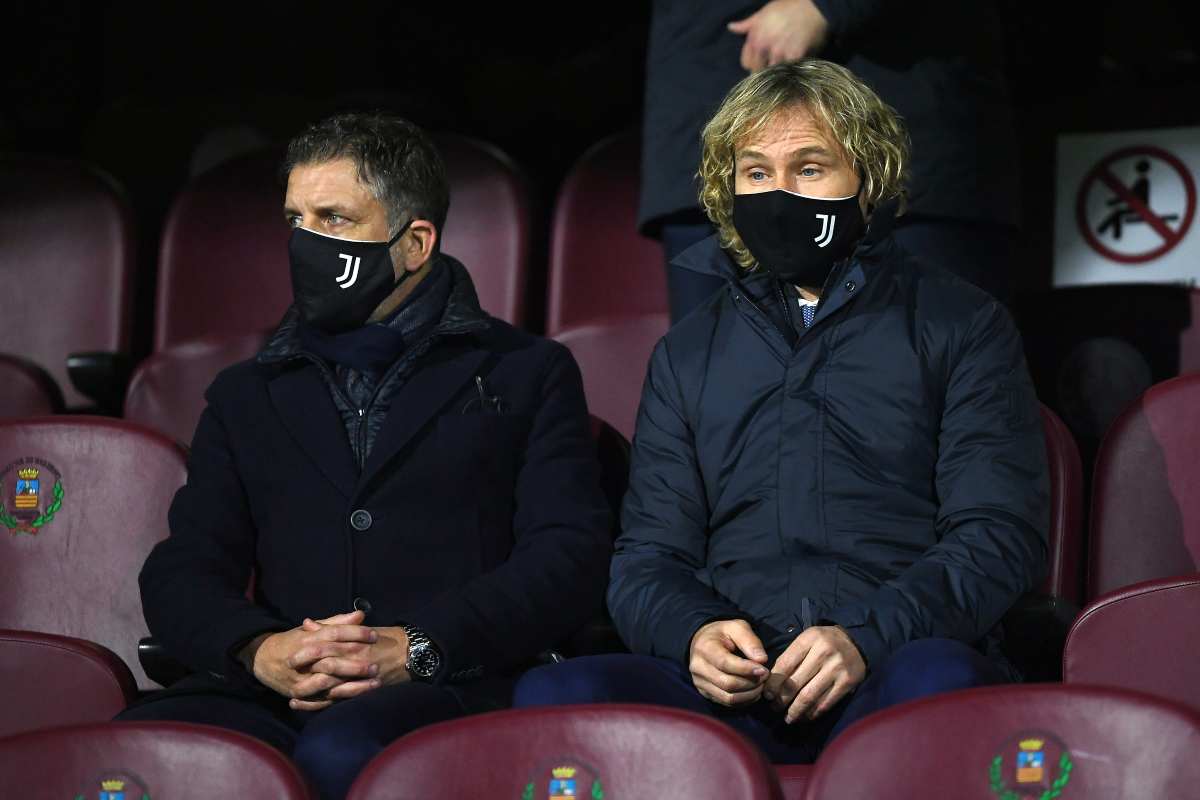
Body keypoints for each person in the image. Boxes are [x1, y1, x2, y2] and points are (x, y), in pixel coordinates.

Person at [514, 60, 1048, 764]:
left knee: (942, 679)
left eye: (809, 169)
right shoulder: (687, 353)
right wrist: (695, 633)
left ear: (869, 178)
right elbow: (649, 557)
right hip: (734, 689)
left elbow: (998, 535)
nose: (779, 195)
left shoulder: (963, 324)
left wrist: (866, 638)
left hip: (892, 665)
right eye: (757, 173)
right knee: (556, 694)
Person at [118, 112, 611, 799]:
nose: (306, 242)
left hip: (452, 684)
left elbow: (568, 555)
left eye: (334, 219)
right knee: (140, 750)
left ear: (415, 243)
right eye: (296, 220)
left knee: (345, 751)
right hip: (277, 691)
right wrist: (260, 649)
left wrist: (420, 645)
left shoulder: (526, 371)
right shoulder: (245, 392)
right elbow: (184, 567)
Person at [642, 0, 1022, 322]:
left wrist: (827, 6)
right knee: (718, 377)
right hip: (705, 127)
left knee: (937, 364)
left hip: (910, 133)